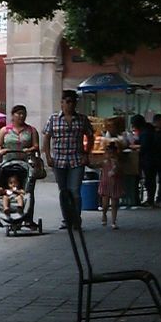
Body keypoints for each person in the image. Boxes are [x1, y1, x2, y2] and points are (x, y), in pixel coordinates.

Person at [43, 89, 95, 228]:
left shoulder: (82, 119)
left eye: (73, 102)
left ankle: (76, 219)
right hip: (58, 160)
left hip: (76, 159)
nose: (71, 105)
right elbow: (46, 138)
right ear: (62, 103)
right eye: (68, 102)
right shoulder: (53, 119)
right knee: (64, 191)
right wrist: (48, 156)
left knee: (75, 191)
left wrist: (86, 153)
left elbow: (90, 136)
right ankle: (67, 219)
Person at [97, 139, 124, 229]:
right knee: (105, 204)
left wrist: (116, 167)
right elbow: (96, 165)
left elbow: (119, 171)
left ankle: (113, 221)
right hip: (106, 184)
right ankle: (104, 215)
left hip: (115, 184)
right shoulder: (104, 162)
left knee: (114, 204)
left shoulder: (118, 163)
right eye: (109, 153)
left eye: (112, 153)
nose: (111, 155)